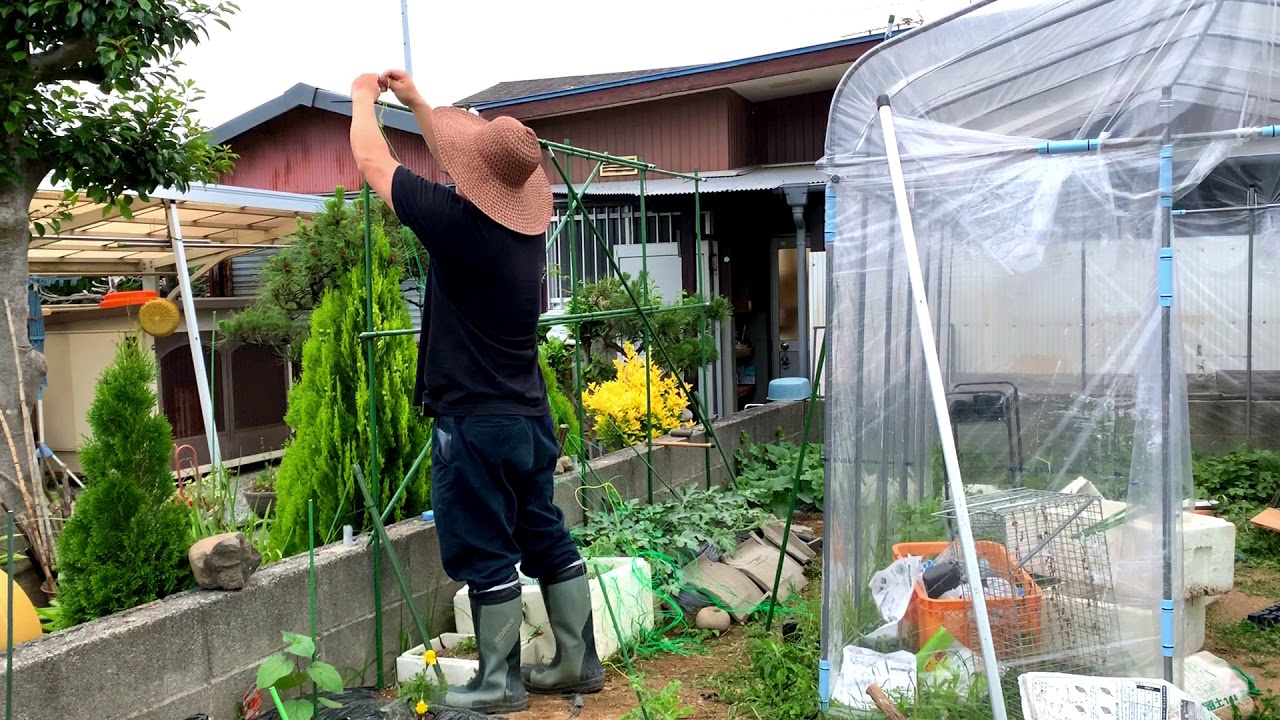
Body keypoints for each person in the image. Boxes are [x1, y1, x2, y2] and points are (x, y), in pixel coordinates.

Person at [348, 71, 604, 715]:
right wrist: (417, 106)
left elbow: (374, 160)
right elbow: (474, 169)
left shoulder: (456, 225)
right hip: (528, 416)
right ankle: (577, 661)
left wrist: (361, 97)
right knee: (542, 528)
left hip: (474, 423)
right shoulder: (524, 234)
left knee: (483, 545)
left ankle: (499, 682)